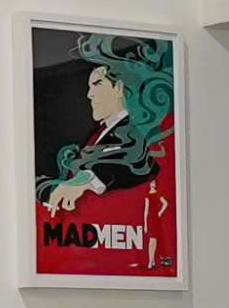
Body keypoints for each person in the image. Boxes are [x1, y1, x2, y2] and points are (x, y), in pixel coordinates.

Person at [41, 39, 175, 217]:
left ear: (119, 87)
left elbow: (134, 159)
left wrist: (87, 178)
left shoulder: (137, 134)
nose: (90, 95)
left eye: (97, 85)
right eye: (89, 87)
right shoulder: (97, 134)